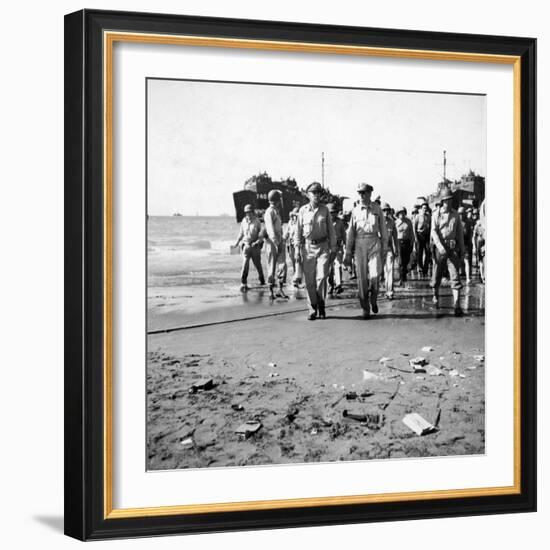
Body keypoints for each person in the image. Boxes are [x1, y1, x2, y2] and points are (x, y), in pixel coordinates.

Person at [344, 183, 388, 319]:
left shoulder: (377, 209)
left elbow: (383, 230)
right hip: (359, 243)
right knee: (362, 279)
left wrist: (385, 249)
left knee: (375, 275)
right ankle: (365, 307)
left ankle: (374, 298)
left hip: (374, 241)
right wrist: (348, 252)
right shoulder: (355, 211)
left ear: (370, 193)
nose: (361, 196)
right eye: (359, 193)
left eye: (364, 193)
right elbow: (350, 233)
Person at [294, 182, 337, 320]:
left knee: (322, 278)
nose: (316, 195)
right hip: (307, 249)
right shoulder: (302, 211)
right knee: (310, 282)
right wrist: (296, 250)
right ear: (308, 195)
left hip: (323, 247)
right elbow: (298, 232)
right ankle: (312, 308)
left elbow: (331, 230)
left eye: (318, 193)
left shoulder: (325, 210)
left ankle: (321, 304)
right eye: (314, 193)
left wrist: (334, 247)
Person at [430, 188, 465, 316]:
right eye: (446, 200)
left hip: (452, 249)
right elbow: (433, 232)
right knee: (437, 276)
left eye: (450, 200)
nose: (449, 203)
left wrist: (462, 249)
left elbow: (460, 233)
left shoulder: (456, 215)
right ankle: (435, 296)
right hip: (440, 249)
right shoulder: (436, 215)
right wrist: (439, 247)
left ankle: (457, 305)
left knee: (455, 276)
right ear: (442, 201)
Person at [234, 204, 265, 292]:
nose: (248, 214)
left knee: (258, 265)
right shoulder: (244, 221)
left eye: (249, 212)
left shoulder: (257, 222)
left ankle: (262, 281)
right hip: (246, 246)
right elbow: (241, 233)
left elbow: (261, 235)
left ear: (252, 212)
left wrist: (257, 242)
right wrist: (236, 243)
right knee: (245, 264)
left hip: (255, 247)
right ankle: (243, 283)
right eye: (246, 212)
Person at [264, 189, 288, 299]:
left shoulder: (276, 211)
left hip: (278, 240)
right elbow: (270, 229)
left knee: (282, 265)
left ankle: (280, 289)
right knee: (272, 266)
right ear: (277, 200)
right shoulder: (270, 212)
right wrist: (276, 242)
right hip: (272, 242)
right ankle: (271, 291)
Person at [327, 203, 346, 295]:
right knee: (329, 268)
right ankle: (330, 285)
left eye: (334, 212)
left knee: (338, 265)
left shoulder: (340, 222)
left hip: (338, 246)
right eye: (331, 212)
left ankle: (338, 285)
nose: (333, 214)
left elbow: (343, 234)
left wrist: (345, 243)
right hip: (328, 247)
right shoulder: (325, 223)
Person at [382, 202, 398, 299]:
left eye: (387, 210)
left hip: (388, 249)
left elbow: (395, 238)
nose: (386, 212)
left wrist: (396, 249)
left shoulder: (392, 222)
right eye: (384, 210)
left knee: (390, 270)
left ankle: (390, 291)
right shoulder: (377, 221)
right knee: (380, 272)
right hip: (378, 250)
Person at [395, 206, 414, 284]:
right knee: (400, 261)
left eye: (403, 213)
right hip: (399, 242)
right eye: (400, 213)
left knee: (406, 260)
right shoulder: (395, 222)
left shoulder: (408, 222)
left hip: (407, 242)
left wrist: (412, 243)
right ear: (398, 214)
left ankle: (404, 275)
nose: (402, 215)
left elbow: (411, 233)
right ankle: (401, 278)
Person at [284, 206, 302, 287]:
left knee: (299, 261)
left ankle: (298, 280)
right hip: (290, 245)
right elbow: (287, 233)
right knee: (293, 262)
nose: (295, 217)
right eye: (294, 215)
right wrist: (283, 239)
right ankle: (296, 276)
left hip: (299, 245)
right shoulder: (290, 223)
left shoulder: (301, 224)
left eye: (297, 216)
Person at [413, 200, 432, 277]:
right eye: (423, 208)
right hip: (419, 235)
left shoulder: (429, 216)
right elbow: (414, 228)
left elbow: (431, 227)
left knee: (428, 252)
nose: (425, 210)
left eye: (426, 208)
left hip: (426, 236)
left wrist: (430, 237)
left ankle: (425, 268)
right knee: (419, 253)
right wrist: (416, 238)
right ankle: (420, 267)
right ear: (421, 208)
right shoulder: (417, 217)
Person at [459, 206, 474, 284]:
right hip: (458, 243)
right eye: (460, 214)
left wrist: (471, 244)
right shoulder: (457, 221)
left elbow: (470, 234)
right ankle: (457, 276)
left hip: (466, 244)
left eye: (462, 214)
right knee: (457, 261)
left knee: (466, 261)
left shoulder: (468, 222)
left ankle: (468, 278)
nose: (461, 215)